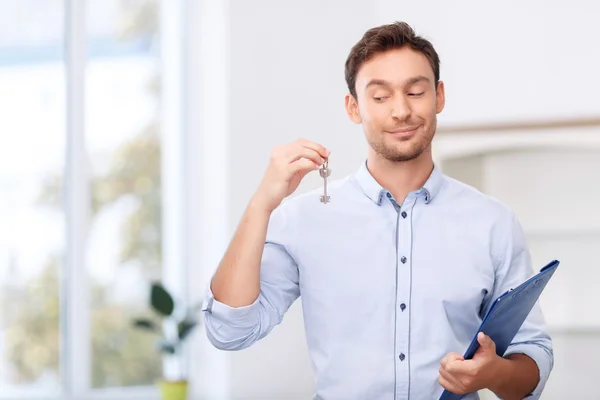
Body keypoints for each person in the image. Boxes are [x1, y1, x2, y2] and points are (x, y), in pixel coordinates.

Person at [201, 21, 553, 400]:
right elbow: (229, 331)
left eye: (415, 92)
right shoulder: (301, 220)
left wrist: (494, 373)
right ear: (354, 108)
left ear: (439, 97)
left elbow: (534, 356)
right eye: (380, 97)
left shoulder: (493, 223)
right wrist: (261, 205)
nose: (401, 111)